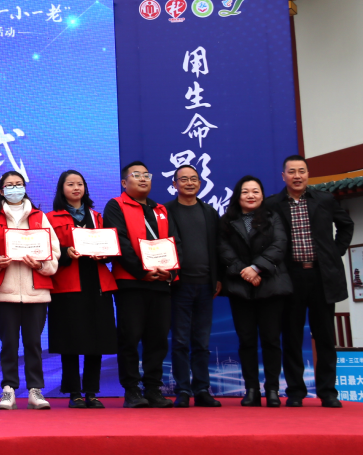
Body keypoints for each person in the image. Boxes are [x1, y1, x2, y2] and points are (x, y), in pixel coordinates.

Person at [264, 155, 354, 407]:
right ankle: (295, 391)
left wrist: (334, 252)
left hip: (321, 276)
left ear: (308, 174)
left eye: (301, 171)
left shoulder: (324, 199)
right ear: (283, 176)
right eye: (292, 171)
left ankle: (328, 392)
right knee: (291, 336)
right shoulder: (272, 204)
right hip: (289, 277)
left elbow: (346, 226)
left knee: (325, 336)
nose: (297, 176)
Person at [104, 160, 177, 408]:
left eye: (147, 175)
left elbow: (174, 242)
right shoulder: (116, 205)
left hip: (160, 283)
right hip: (131, 282)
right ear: (124, 183)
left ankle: (153, 389)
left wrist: (170, 273)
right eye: (136, 175)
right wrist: (141, 272)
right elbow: (119, 241)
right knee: (130, 337)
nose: (143, 178)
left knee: (158, 339)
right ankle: (132, 390)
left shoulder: (161, 209)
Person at [0, 170, 59, 411]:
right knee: (8, 343)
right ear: (1, 190)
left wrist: (41, 264)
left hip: (35, 291)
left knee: (34, 343)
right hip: (5, 291)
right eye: (9, 185)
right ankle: (9, 389)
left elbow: (54, 252)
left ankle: (35, 390)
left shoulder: (39, 216)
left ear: (25, 188)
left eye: (18, 184)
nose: (14, 188)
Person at [217, 176, 291, 407]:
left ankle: (272, 389)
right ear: (237, 196)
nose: (251, 195)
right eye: (245, 191)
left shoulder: (272, 217)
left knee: (271, 340)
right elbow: (223, 250)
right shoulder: (226, 221)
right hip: (240, 288)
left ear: (262, 195)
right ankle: (251, 389)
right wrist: (245, 271)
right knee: (246, 340)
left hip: (271, 286)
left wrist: (257, 268)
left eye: (255, 191)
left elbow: (279, 245)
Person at [46, 170, 116, 409]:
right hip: (68, 285)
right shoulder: (51, 218)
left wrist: (106, 254)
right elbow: (47, 249)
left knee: (97, 339)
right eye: (70, 184)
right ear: (61, 189)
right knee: (71, 339)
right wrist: (65, 253)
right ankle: (74, 392)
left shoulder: (97, 217)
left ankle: (92, 392)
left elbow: (110, 246)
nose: (76, 188)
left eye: (80, 184)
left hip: (97, 283)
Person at [164, 164, 222, 408]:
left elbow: (217, 247)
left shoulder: (209, 212)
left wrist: (217, 278)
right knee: (179, 341)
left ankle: (201, 389)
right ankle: (182, 390)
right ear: (174, 184)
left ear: (200, 183)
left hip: (206, 285)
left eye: (194, 179)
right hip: (179, 285)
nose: (189, 183)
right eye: (184, 179)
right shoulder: (165, 211)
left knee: (202, 342)